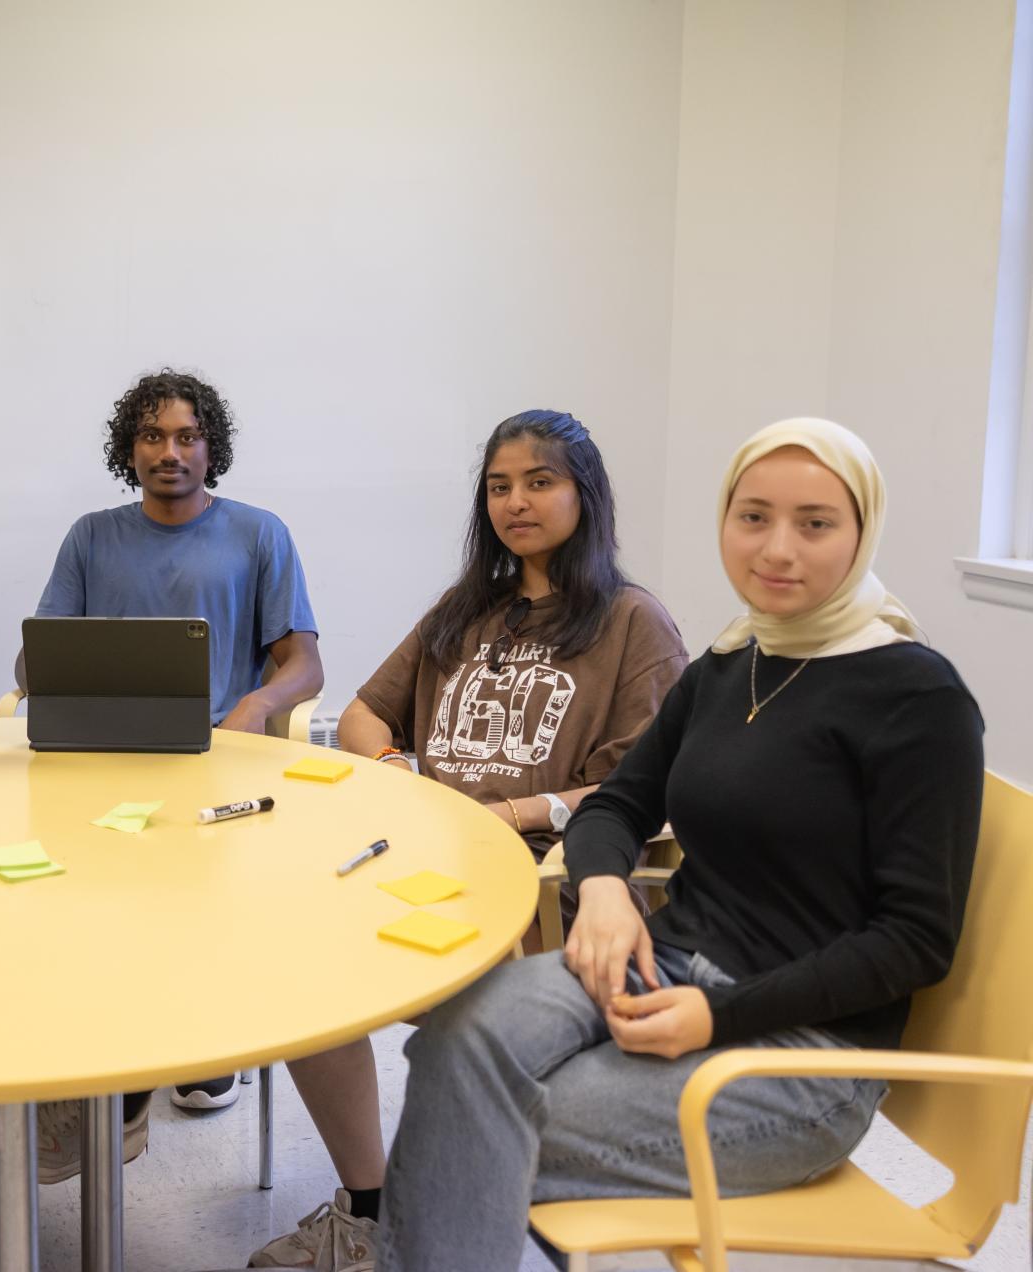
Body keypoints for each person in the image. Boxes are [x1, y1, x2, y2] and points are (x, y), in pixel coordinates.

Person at [371, 418, 983, 1269]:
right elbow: (615, 807)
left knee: (489, 1119)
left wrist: (719, 1015)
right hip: (659, 962)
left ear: (863, 529)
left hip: (802, 1053)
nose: (777, 549)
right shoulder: (731, 664)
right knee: (451, 1046)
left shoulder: (917, 696)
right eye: (753, 516)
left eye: (815, 523)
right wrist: (611, 892)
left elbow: (917, 940)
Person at [252, 409, 688, 1270]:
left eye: (539, 482)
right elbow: (369, 709)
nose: (516, 502)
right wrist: (393, 763)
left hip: (539, 882)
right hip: (418, 857)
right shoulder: (466, 610)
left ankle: (451, 1218)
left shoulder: (634, 624)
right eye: (499, 486)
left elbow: (649, 792)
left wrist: (512, 815)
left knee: (456, 1026)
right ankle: (371, 1206)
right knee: (294, 960)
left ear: (584, 494)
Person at [25, 369, 321, 1174]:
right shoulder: (91, 536)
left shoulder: (259, 534)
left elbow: (305, 663)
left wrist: (257, 705)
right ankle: (109, 1063)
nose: (170, 451)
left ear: (210, 447)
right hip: (99, 762)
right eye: (152, 436)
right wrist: (44, 661)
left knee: (193, 891)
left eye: (187, 436)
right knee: (71, 892)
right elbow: (36, 656)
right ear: (131, 451)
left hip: (217, 763)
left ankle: (198, 1043)